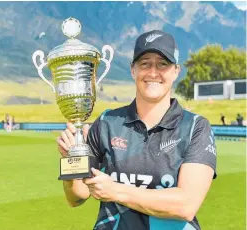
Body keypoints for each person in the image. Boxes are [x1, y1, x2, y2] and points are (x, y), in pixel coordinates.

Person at [57, 30, 217, 230]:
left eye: (163, 64)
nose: (152, 72)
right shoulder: (107, 122)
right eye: (145, 64)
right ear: (133, 70)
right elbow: (76, 197)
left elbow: (185, 205)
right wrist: (71, 160)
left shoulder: (195, 127)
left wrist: (114, 190)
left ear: (176, 71)